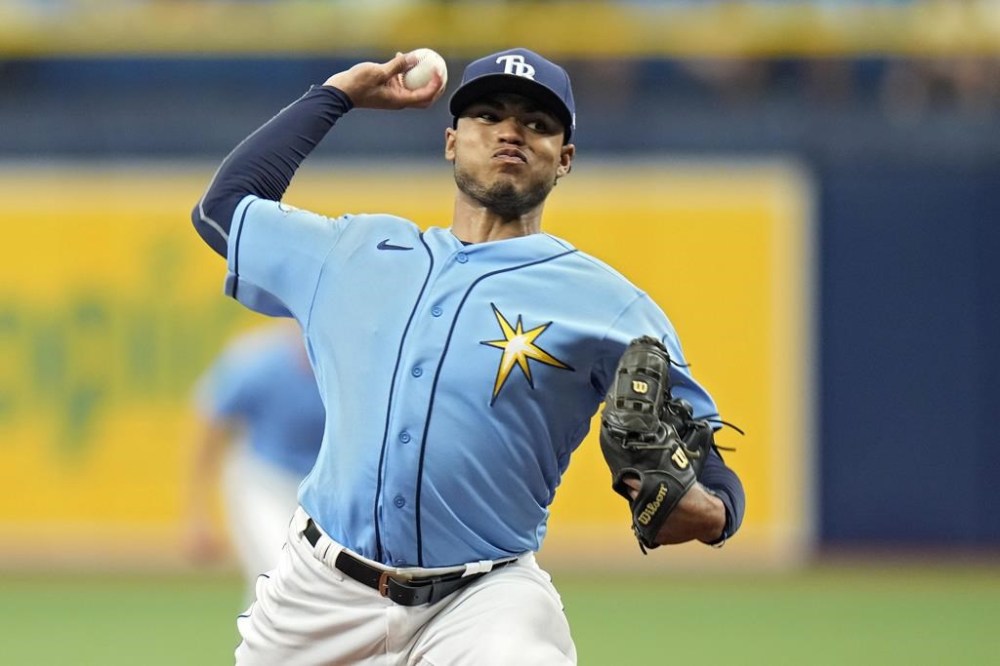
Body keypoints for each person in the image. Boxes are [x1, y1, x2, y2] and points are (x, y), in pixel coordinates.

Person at [192, 47, 745, 665]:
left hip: (484, 598)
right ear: (452, 140)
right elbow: (223, 208)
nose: (511, 131)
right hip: (317, 593)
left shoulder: (610, 305)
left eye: (537, 123)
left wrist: (703, 511)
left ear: (564, 159)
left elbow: (712, 476)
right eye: (488, 115)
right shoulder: (353, 252)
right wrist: (337, 94)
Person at [183, 321, 325, 596]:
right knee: (279, 572)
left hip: (318, 489)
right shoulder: (258, 361)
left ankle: (260, 636)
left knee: (307, 587)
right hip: (262, 481)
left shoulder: (348, 367)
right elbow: (208, 423)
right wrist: (196, 516)